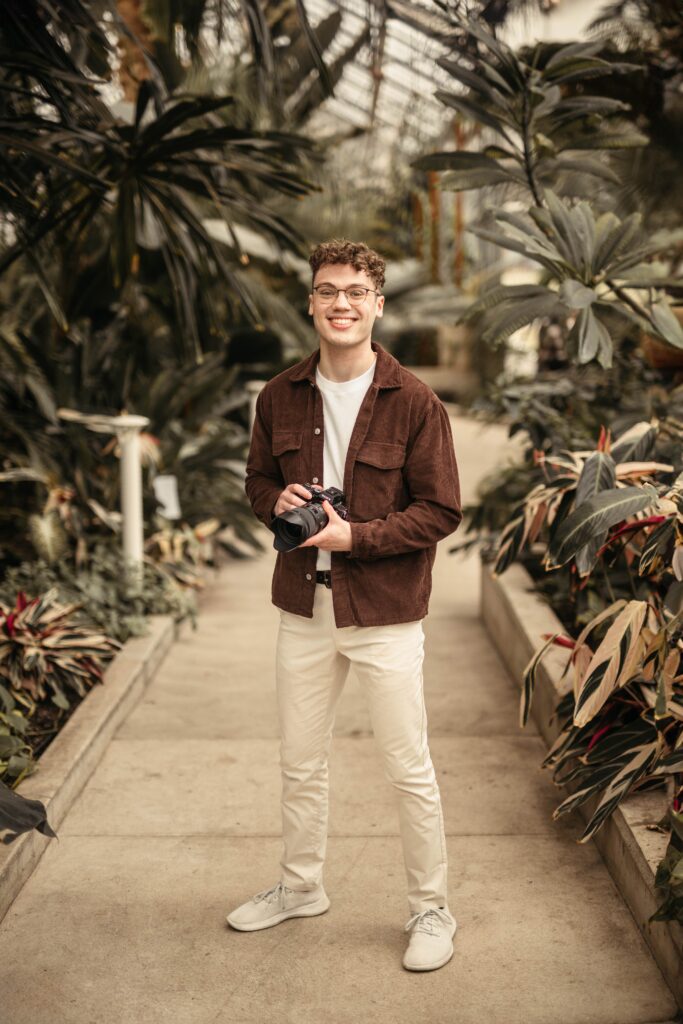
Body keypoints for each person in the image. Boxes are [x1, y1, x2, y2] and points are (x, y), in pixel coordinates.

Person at [227, 238, 463, 972]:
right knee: (300, 764)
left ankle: (431, 909)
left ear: (377, 305)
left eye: (355, 292)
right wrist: (281, 501)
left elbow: (441, 510)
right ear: (310, 301)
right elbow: (257, 483)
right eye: (327, 290)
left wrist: (353, 535)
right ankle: (301, 888)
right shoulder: (279, 394)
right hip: (302, 607)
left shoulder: (414, 401)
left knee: (406, 768)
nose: (340, 303)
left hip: (385, 611)